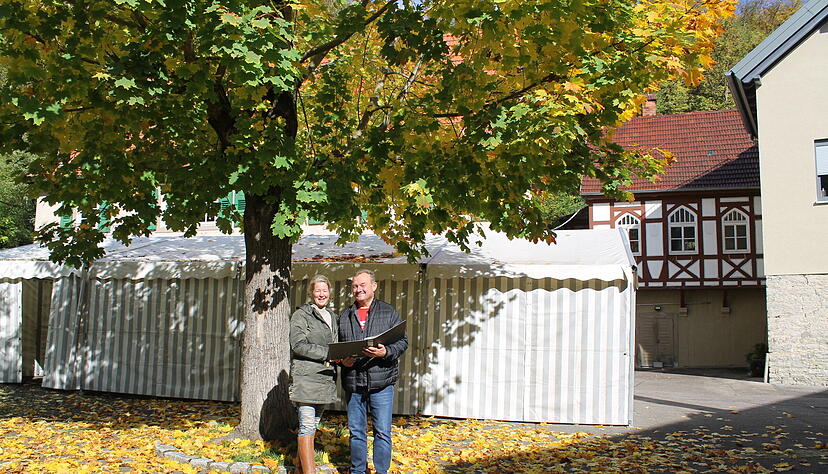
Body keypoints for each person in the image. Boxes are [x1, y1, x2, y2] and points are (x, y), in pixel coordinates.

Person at [338, 269, 408, 474]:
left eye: (362, 285)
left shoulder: (388, 312)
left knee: (383, 432)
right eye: (355, 286)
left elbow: (403, 342)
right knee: (357, 433)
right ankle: (358, 470)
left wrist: (386, 351)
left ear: (374, 286)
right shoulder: (344, 315)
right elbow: (337, 348)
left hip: (382, 383)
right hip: (353, 382)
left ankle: (381, 471)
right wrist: (344, 361)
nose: (358, 290)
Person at [289, 274, 338, 474]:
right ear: (311, 293)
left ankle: (300, 468)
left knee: (314, 424)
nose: (321, 294)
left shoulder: (332, 316)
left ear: (329, 293)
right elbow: (298, 344)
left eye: (324, 290)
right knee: (307, 425)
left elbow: (336, 345)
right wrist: (328, 353)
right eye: (317, 290)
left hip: (326, 378)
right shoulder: (301, 315)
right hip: (306, 377)